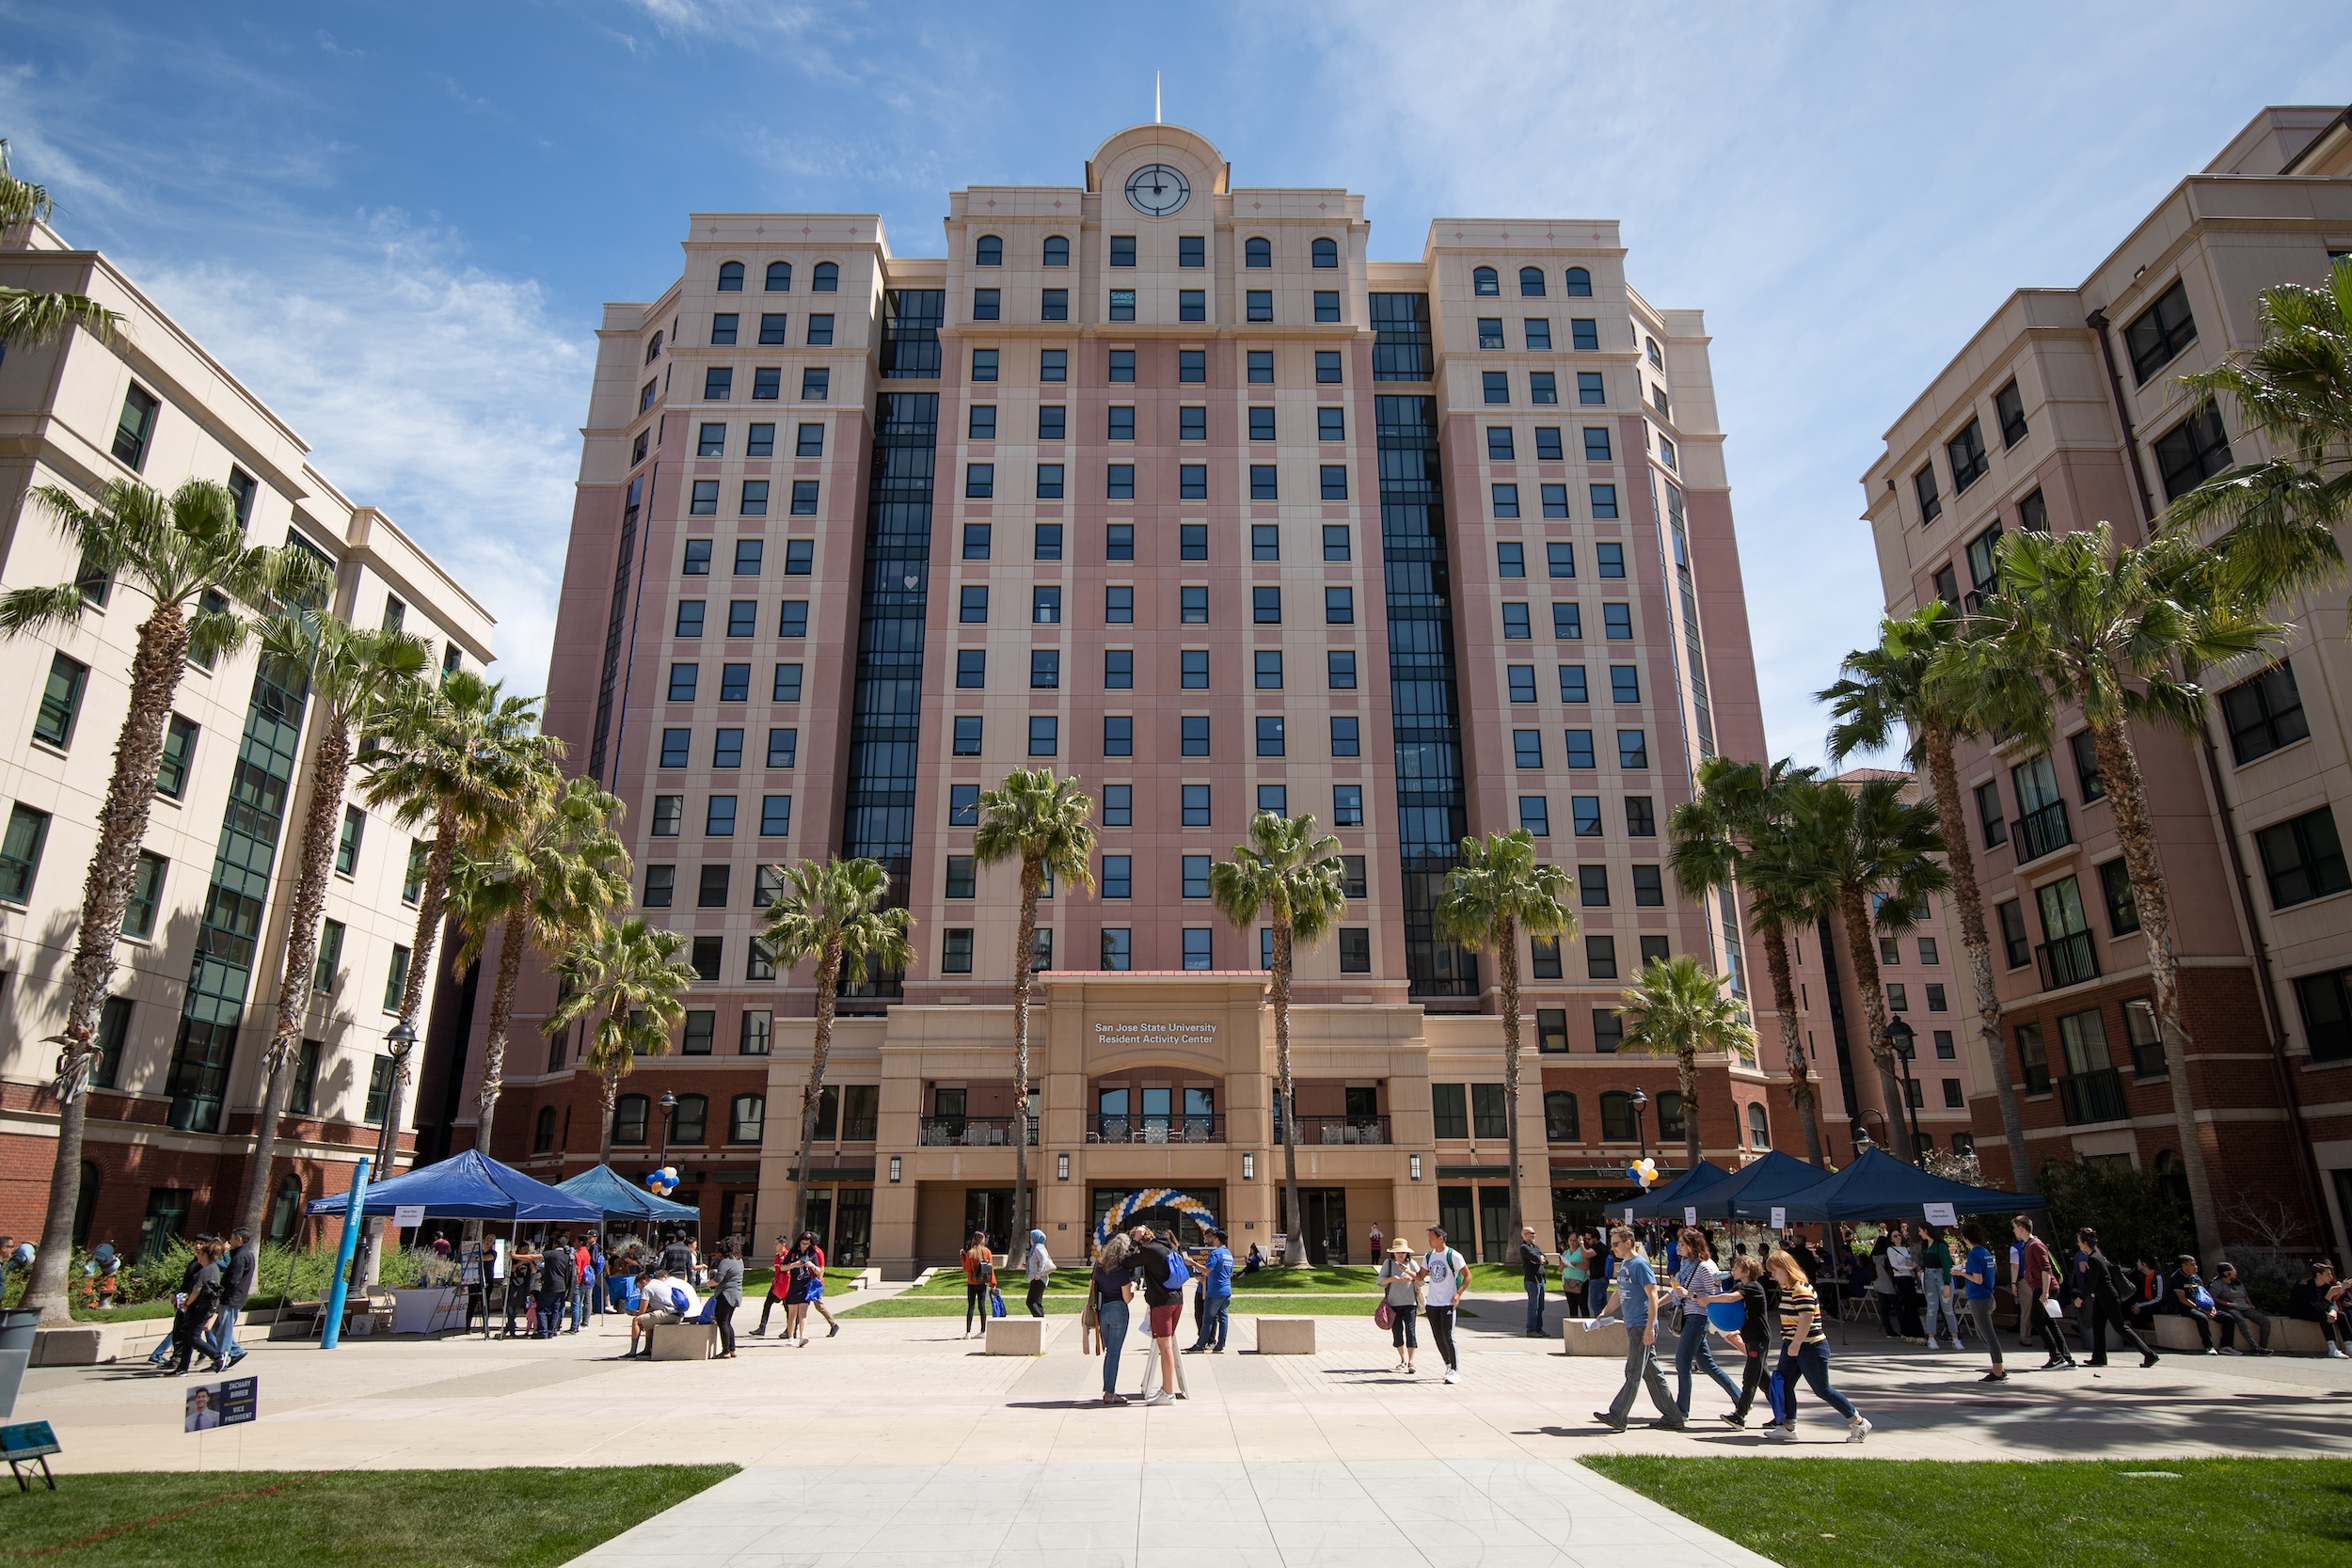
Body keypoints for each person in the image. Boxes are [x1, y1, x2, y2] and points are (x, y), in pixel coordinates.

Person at [1760, 1249, 1868, 1442]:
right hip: (1793, 1344)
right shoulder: (1787, 1289)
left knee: (1822, 1389)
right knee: (1783, 1383)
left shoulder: (1800, 1288)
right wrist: (1792, 1344)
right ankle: (1788, 1427)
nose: (1772, 1275)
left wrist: (1796, 1343)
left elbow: (1807, 1318)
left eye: (1774, 1270)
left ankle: (1858, 1422)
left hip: (1811, 1346)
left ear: (1785, 1269)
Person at [1591, 1225, 1681, 1432]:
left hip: (1642, 1326)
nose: (1612, 1248)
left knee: (1633, 1371)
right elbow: (1618, 1292)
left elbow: (1652, 1296)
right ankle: (1673, 1416)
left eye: (1615, 1244)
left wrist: (1650, 1327)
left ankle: (1618, 1415)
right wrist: (1605, 1312)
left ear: (1628, 1243)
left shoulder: (1640, 1265)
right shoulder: (1624, 1265)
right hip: (1633, 1325)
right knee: (1652, 1374)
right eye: (1611, 1244)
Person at [1668, 1226, 1741, 1421]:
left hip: (1698, 1318)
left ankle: (1681, 1410)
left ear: (1693, 1245)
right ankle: (1741, 1399)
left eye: (1682, 1244)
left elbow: (1713, 1297)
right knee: (1707, 1364)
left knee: (1682, 1362)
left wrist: (1689, 1294)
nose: (1678, 1248)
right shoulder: (1687, 1265)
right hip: (1690, 1317)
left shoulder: (1705, 1267)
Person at [2074, 1227, 2158, 1369]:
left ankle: (2149, 1354)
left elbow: (2093, 1282)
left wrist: (2081, 1298)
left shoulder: (2094, 1258)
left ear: (2085, 1243)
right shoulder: (2097, 1255)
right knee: (2098, 1326)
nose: (2078, 1244)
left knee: (2120, 1327)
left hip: (2108, 1297)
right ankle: (2099, 1357)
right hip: (2102, 1297)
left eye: (2079, 1242)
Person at [1711, 1253, 1772, 1428]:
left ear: (1746, 1271)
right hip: (1750, 1338)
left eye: (1737, 1267)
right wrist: (1715, 1287)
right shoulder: (1740, 1285)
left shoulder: (1753, 1287)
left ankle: (1740, 1415)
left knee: (1751, 1377)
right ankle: (1783, 1414)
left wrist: (1709, 1299)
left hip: (1758, 1338)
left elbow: (1731, 1299)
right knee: (1764, 1380)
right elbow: (1726, 1300)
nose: (1733, 1270)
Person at [2012, 1217, 2076, 1370]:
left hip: (2044, 1288)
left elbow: (2046, 1269)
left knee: (2037, 1320)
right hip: (2040, 1288)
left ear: (2021, 1227)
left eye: (2015, 1227)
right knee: (2049, 1322)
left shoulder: (2036, 1245)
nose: (2014, 1230)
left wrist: (2045, 1292)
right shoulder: (2028, 1245)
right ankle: (2065, 1357)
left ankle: (2056, 1356)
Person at [1134, 1225, 1186, 1405]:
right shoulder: (1170, 1247)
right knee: (1167, 1346)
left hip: (1162, 1303)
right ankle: (1166, 1388)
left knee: (1165, 1348)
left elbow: (1127, 1260)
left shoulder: (1150, 1249)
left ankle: (1169, 1394)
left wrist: (1135, 1241)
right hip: (1177, 1300)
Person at [1952, 1223, 2006, 1382]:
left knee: (1988, 1336)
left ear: (1966, 1238)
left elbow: (1977, 1278)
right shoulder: (1985, 1252)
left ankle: (1998, 1370)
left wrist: (1960, 1273)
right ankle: (1998, 1367)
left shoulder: (1975, 1254)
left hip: (1979, 1297)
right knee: (1983, 1335)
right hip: (1987, 1295)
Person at [1420, 1225, 1470, 1386]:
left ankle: (1455, 1370)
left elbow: (1467, 1276)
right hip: (1432, 1303)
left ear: (1441, 1238)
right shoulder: (1428, 1256)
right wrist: (1406, 1271)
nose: (1429, 1241)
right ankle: (1448, 1365)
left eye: (1432, 1238)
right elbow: (1421, 1276)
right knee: (1438, 1337)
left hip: (1447, 1302)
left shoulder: (1453, 1255)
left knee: (1448, 1336)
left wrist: (1458, 1293)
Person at [168, 1240, 225, 1375]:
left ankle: (217, 1356)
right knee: (188, 1337)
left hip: (200, 1308)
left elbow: (196, 1290)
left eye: (200, 1254)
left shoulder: (205, 1270)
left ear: (205, 1255)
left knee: (193, 1338)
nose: (198, 1256)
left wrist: (187, 1303)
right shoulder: (214, 1268)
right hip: (203, 1307)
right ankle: (182, 1368)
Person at [1092, 1234, 1136, 1404]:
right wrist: (1133, 1286)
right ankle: (1109, 1392)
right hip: (1118, 1309)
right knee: (1114, 1353)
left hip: (1103, 1310)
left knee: (1109, 1352)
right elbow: (1127, 1298)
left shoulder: (1099, 1266)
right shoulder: (1121, 1270)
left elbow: (1092, 1288)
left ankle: (1108, 1390)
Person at [207, 1227, 255, 1370]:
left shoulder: (240, 1257)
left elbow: (234, 1280)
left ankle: (222, 1357)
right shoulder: (244, 1255)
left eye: (232, 1238)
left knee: (225, 1329)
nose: (230, 1241)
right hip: (233, 1297)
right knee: (216, 1328)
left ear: (239, 1240)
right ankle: (236, 1351)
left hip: (232, 1298)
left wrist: (221, 1293)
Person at [627, 1266, 700, 1358]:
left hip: (669, 1315)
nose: (640, 1289)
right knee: (648, 1318)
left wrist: (638, 1315)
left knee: (636, 1321)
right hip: (678, 1315)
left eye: (639, 1286)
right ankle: (647, 1349)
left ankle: (632, 1352)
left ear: (643, 1282)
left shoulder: (647, 1288)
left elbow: (642, 1311)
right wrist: (639, 1314)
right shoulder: (660, 1284)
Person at [1378, 1238, 1422, 1374]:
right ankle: (1402, 1359)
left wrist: (1411, 1276)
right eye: (1398, 1252)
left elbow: (1421, 1280)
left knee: (1411, 1332)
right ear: (1393, 1253)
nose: (1400, 1255)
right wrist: (1393, 1279)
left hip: (1410, 1304)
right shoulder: (1388, 1264)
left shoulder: (1412, 1264)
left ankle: (1411, 1362)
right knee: (1397, 1333)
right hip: (1393, 1305)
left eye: (1403, 1252)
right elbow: (1380, 1281)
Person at [2290, 1259, 2350, 1358]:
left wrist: (2333, 1311)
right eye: (2328, 1275)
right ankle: (2332, 1348)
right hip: (2301, 1311)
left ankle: (2349, 1346)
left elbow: (2331, 1303)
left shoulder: (2326, 1285)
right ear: (2319, 1275)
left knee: (2341, 1315)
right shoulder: (2304, 1285)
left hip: (2320, 1310)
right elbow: (2317, 1307)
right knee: (2323, 1315)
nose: (2331, 1277)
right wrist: (2330, 1294)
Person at [1186, 1228, 1233, 1353]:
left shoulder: (1216, 1253)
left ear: (1217, 1238)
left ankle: (1200, 1345)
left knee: (1208, 1319)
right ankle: (1220, 1345)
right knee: (1223, 1318)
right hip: (1226, 1290)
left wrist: (1193, 1263)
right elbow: (1231, 1273)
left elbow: (1207, 1270)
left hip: (1215, 1291)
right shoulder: (1228, 1254)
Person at [2164, 1254, 2221, 1354]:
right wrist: (2202, 1310)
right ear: (2184, 1266)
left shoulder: (2196, 1278)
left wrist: (2212, 1308)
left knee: (2228, 1318)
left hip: (2203, 1306)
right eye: (2192, 1264)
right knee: (2202, 1317)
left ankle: (2226, 1345)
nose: (2196, 1267)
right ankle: (2209, 1346)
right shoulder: (2177, 1278)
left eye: (2195, 1264)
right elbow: (2182, 1299)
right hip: (2187, 1307)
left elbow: (2205, 1295)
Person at [2210, 1262, 2272, 1355]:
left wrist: (2250, 1305)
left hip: (2244, 1307)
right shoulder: (2217, 1284)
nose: (2235, 1272)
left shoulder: (2237, 1282)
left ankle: (2263, 1346)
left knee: (2265, 1321)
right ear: (2226, 1273)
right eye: (2233, 1270)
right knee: (2241, 1321)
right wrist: (2226, 1303)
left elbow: (2245, 1295)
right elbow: (2212, 1297)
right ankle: (2255, 1347)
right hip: (2230, 1308)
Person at [1918, 1224, 1957, 1350]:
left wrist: (1946, 1283)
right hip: (1929, 1276)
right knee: (1931, 1308)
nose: (1919, 1234)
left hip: (1940, 1275)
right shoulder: (1924, 1246)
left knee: (1947, 1308)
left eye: (1920, 1231)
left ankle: (1955, 1337)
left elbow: (1947, 1265)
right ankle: (1931, 1337)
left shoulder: (1941, 1246)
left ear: (1926, 1230)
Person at [708, 1235, 743, 1357]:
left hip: (725, 1294)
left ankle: (726, 1350)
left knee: (722, 1322)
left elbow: (718, 1279)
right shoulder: (739, 1261)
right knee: (728, 1322)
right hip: (736, 1294)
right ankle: (732, 1349)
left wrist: (707, 1283)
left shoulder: (725, 1262)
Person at [783, 1235, 819, 1346]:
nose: (805, 1246)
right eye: (803, 1243)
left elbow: (818, 1270)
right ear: (799, 1242)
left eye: (807, 1244)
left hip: (805, 1286)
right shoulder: (793, 1253)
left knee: (803, 1312)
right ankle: (790, 1337)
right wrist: (794, 1265)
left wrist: (812, 1265)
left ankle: (802, 1336)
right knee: (792, 1313)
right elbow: (782, 1267)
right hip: (793, 1286)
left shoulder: (812, 1253)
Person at [753, 1235, 793, 1336]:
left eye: (777, 1244)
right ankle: (762, 1328)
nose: (775, 1246)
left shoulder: (787, 1255)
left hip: (784, 1284)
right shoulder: (777, 1256)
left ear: (783, 1244)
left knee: (787, 1307)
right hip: (776, 1283)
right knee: (767, 1303)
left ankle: (791, 1330)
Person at [537, 1232, 574, 1339]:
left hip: (550, 1286)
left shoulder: (551, 1254)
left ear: (555, 1243)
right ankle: (551, 1331)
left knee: (541, 1309)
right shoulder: (567, 1256)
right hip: (562, 1286)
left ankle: (543, 1331)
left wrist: (516, 1256)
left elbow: (534, 1256)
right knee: (556, 1310)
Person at [961, 1232, 995, 1339]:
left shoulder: (971, 1253)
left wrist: (963, 1258)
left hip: (972, 1282)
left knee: (971, 1306)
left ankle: (968, 1332)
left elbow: (966, 1269)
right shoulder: (987, 1252)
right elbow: (991, 1269)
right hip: (983, 1282)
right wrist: (993, 1283)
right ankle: (983, 1330)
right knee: (982, 1306)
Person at [1518, 1225, 1549, 1338]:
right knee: (1533, 1306)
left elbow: (1546, 1259)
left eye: (1534, 1233)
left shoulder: (1535, 1247)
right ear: (1525, 1235)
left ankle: (1539, 1328)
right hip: (1532, 1280)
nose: (1533, 1235)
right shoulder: (1524, 1247)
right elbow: (1536, 1258)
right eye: (1531, 1233)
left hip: (1540, 1280)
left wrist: (1540, 1259)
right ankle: (1531, 1329)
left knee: (1541, 1306)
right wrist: (1538, 1259)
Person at [1024, 1228, 1055, 1319]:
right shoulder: (1037, 1248)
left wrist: (1038, 1274)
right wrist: (1027, 1266)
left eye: (1031, 1238)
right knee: (1037, 1302)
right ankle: (1042, 1322)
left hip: (1038, 1279)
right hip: (1038, 1278)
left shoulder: (1038, 1248)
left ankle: (1040, 1321)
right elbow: (1036, 1262)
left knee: (1030, 1302)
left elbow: (1043, 1261)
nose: (1030, 1240)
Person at [1562, 1232, 1591, 1318]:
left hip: (1580, 1282)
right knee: (1572, 1306)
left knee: (1583, 1305)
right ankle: (1573, 1325)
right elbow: (1559, 1269)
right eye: (1571, 1240)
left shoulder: (1582, 1252)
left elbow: (1587, 1266)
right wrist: (1563, 1265)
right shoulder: (1565, 1253)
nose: (1572, 1242)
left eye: (1574, 1240)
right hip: (1568, 1282)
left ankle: (1586, 1324)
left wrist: (1576, 1264)